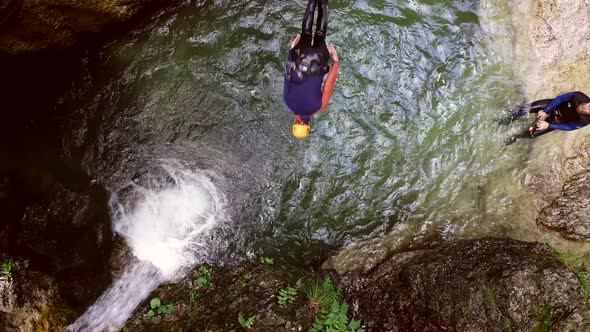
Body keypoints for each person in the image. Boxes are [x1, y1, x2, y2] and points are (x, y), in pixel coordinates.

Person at [283, 0, 339, 139]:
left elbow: (329, 84)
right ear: (294, 121)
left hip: (318, 59)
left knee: (320, 33)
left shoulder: (319, 108)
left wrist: (336, 62)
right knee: (306, 32)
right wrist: (292, 50)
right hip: (301, 56)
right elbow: (289, 71)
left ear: (308, 125)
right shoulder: (287, 100)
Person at [513, 91, 590, 137]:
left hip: (558, 121)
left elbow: (569, 127)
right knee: (526, 109)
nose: (586, 108)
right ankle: (509, 119)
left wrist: (548, 125)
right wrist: (545, 110)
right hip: (554, 106)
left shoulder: (585, 121)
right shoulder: (578, 96)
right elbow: (560, 99)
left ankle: (516, 137)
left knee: (531, 134)